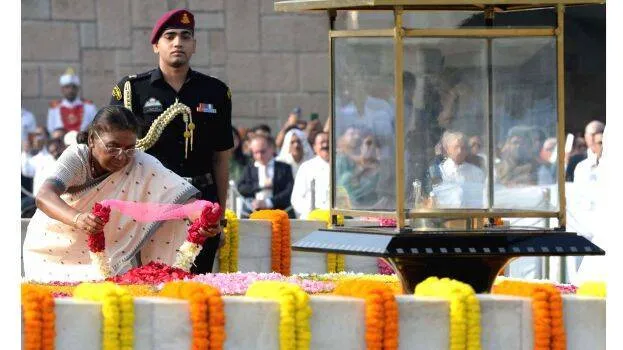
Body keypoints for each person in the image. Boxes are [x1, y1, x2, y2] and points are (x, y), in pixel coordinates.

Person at [23, 106, 216, 282]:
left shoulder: (140, 162)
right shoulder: (77, 158)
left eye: (129, 148)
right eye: (112, 147)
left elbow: (179, 196)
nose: (122, 156)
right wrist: (79, 218)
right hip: (52, 251)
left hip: (111, 256)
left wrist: (203, 216)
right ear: (92, 139)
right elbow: (44, 195)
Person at [109, 8, 233, 274]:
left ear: (194, 45)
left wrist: (220, 215)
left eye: (186, 36)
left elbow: (221, 157)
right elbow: (115, 153)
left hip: (200, 199)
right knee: (150, 281)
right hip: (151, 201)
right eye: (170, 36)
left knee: (197, 284)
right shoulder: (133, 90)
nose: (178, 42)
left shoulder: (215, 91)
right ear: (156, 45)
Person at [237, 134, 294, 217]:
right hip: (253, 213)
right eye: (256, 152)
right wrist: (261, 186)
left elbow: (289, 191)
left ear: (272, 149)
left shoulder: (284, 168)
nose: (259, 156)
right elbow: (241, 188)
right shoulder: (249, 168)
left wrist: (268, 202)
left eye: (263, 151)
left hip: (279, 213)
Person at [434, 131, 485, 208]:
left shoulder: (477, 172)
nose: (459, 151)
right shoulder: (441, 171)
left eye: (463, 148)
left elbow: (482, 198)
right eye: (456, 147)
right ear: (448, 149)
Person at [291, 132, 330, 219]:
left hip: (337, 220)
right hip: (312, 219)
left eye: (328, 142)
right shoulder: (306, 167)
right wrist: (313, 211)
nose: (326, 145)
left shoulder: (341, 165)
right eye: (322, 142)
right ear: (314, 147)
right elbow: (296, 199)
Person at [46, 67, 97, 133]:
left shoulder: (89, 106)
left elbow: (95, 126)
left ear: (78, 89)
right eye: (67, 87)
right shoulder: (54, 108)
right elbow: (51, 130)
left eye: (73, 87)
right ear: (62, 89)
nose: (70, 90)